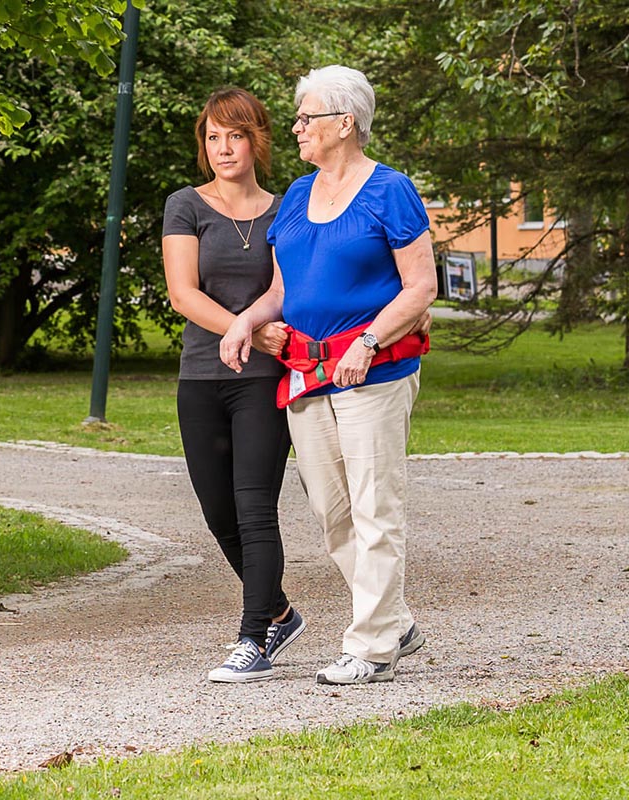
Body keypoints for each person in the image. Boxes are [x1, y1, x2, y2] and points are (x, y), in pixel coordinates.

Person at [220, 65, 437, 686]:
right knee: (335, 514)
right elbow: (282, 290)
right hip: (307, 371)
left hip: (373, 371)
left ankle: (370, 647)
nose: (294, 128)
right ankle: (393, 620)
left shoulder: (390, 190)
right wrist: (243, 323)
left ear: (345, 123)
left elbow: (421, 286)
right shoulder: (296, 194)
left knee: (375, 506)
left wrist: (368, 341)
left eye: (305, 117)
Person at [162, 87, 306, 683]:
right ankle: (278, 609)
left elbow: (285, 286)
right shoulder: (185, 205)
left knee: (254, 510)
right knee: (218, 512)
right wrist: (242, 329)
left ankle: (254, 640)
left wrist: (261, 332)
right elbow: (183, 292)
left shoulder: (287, 208)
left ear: (257, 140)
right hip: (200, 376)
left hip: (263, 382)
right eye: (213, 137)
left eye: (235, 135)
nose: (223, 147)